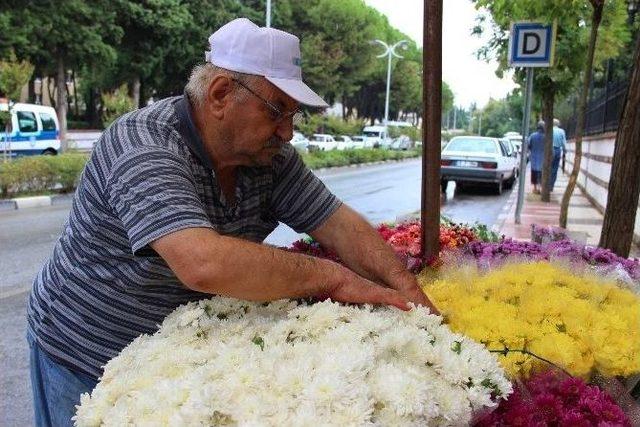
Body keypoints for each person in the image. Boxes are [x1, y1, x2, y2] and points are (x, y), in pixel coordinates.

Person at [27, 18, 436, 426]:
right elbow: (203, 264)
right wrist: (332, 277)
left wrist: (410, 296)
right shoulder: (143, 145)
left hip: (168, 360)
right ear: (221, 94)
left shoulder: (267, 158)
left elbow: (338, 223)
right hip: (82, 351)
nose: (288, 132)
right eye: (277, 111)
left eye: (294, 115)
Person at [528, 121, 546, 194]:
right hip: (543, 158)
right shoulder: (546, 136)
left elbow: (528, 145)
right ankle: (540, 188)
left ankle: (535, 188)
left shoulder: (532, 136)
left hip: (534, 158)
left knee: (534, 173)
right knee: (542, 173)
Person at [550, 118, 566, 192]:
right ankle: (551, 186)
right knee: (555, 169)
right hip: (558, 150)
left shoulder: (550, 130)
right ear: (558, 124)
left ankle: (547, 184)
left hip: (550, 150)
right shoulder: (562, 131)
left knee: (548, 167)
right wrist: (565, 150)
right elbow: (563, 143)